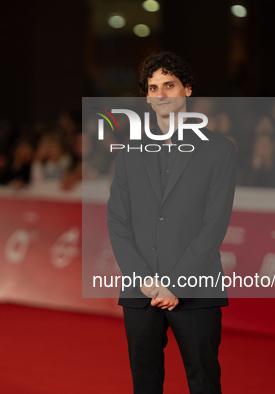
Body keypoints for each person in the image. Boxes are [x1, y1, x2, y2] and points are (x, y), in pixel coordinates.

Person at [107, 51, 237, 394]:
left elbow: (215, 224)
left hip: (195, 290)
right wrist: (144, 280)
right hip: (140, 291)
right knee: (144, 383)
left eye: (169, 85)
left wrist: (176, 283)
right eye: (153, 87)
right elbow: (118, 221)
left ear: (187, 91)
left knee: (204, 381)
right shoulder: (129, 150)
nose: (161, 94)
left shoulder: (219, 150)